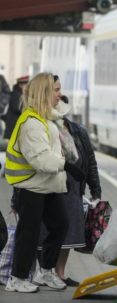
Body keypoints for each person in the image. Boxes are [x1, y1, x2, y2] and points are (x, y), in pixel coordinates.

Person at [4, 73, 85, 293]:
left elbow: (59, 115)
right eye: (56, 90)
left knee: (60, 225)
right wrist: (68, 167)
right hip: (31, 185)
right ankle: (17, 278)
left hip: (46, 185)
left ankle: (46, 269)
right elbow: (41, 159)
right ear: (45, 93)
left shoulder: (46, 118)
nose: (60, 94)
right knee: (28, 234)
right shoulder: (32, 123)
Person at [36, 80, 101, 287]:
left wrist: (95, 188)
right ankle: (44, 270)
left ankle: (60, 272)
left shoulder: (77, 131)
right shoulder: (40, 126)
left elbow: (89, 160)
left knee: (69, 232)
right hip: (48, 186)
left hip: (72, 188)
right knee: (46, 231)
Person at [3, 75, 29, 140]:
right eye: (26, 85)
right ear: (21, 85)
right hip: (13, 128)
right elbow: (18, 108)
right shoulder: (16, 94)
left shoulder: (20, 94)